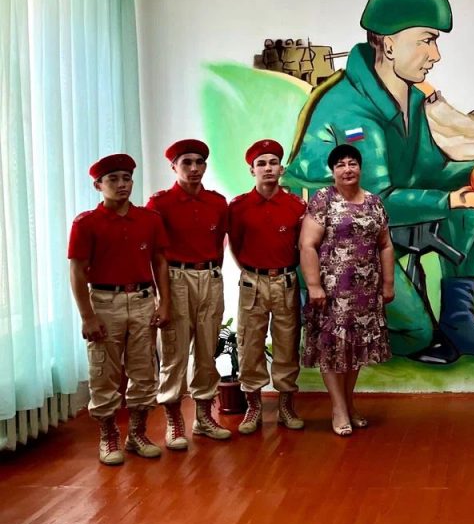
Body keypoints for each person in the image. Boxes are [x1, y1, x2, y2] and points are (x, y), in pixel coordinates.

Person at [289, 0, 474, 364]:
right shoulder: (350, 109)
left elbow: (430, 171)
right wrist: (452, 199)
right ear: (390, 44)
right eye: (426, 40)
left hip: (384, 229)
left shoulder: (410, 99)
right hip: (342, 244)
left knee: (471, 211)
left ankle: (459, 322)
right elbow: (376, 202)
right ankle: (345, 328)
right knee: (417, 334)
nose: (436, 55)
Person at [68, 154, 171, 465]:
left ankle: (137, 434)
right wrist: (87, 316)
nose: (122, 184)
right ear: (98, 185)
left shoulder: (149, 220)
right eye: (113, 179)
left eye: (126, 178)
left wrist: (164, 302)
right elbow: (77, 271)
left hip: (142, 300)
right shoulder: (86, 223)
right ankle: (108, 435)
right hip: (104, 302)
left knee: (144, 370)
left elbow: (160, 262)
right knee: (104, 372)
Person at [299, 144, 395, 436]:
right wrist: (314, 286)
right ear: (333, 171)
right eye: (340, 164)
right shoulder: (323, 199)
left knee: (355, 348)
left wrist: (388, 283)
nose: (347, 169)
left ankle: (348, 403)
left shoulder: (374, 202)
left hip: (366, 292)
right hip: (331, 293)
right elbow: (307, 245)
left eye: (352, 163)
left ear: (360, 168)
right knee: (332, 348)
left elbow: (385, 245)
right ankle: (338, 409)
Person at [147, 139, 231, 450]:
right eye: (186, 163)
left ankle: (204, 418)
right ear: (174, 167)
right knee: (175, 353)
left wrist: (212, 274)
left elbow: (220, 243)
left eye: (199, 162)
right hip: (175, 279)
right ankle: (174, 420)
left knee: (208, 350)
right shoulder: (160, 203)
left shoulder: (217, 202)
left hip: (209, 277)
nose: (194, 168)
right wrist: (163, 298)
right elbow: (155, 254)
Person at [227, 139, 306, 435]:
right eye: (261, 163)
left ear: (281, 168)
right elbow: (235, 245)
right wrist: (252, 272)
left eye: (273, 162)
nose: (268, 168)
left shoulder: (296, 205)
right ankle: (254, 407)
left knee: (287, 343)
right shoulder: (238, 207)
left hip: (286, 280)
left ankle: (286, 406)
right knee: (249, 344)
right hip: (253, 281)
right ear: (252, 170)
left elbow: (302, 246)